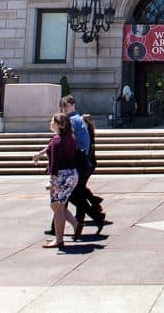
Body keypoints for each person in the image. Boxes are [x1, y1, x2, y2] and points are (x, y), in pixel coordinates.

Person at [32, 113, 81, 249]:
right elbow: (50, 148)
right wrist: (40, 154)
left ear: (58, 124)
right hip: (72, 174)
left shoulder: (56, 141)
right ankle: (76, 225)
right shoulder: (69, 138)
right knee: (57, 206)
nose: (50, 122)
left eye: (52, 121)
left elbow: (54, 163)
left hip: (61, 176)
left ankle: (59, 240)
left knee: (58, 208)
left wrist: (52, 181)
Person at [60, 95, 105, 238]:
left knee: (72, 195)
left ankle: (92, 214)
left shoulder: (72, 121)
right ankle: (89, 213)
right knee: (75, 194)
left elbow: (73, 143)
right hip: (82, 163)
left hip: (77, 164)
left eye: (66, 106)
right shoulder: (79, 120)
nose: (64, 109)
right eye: (63, 107)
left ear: (73, 105)